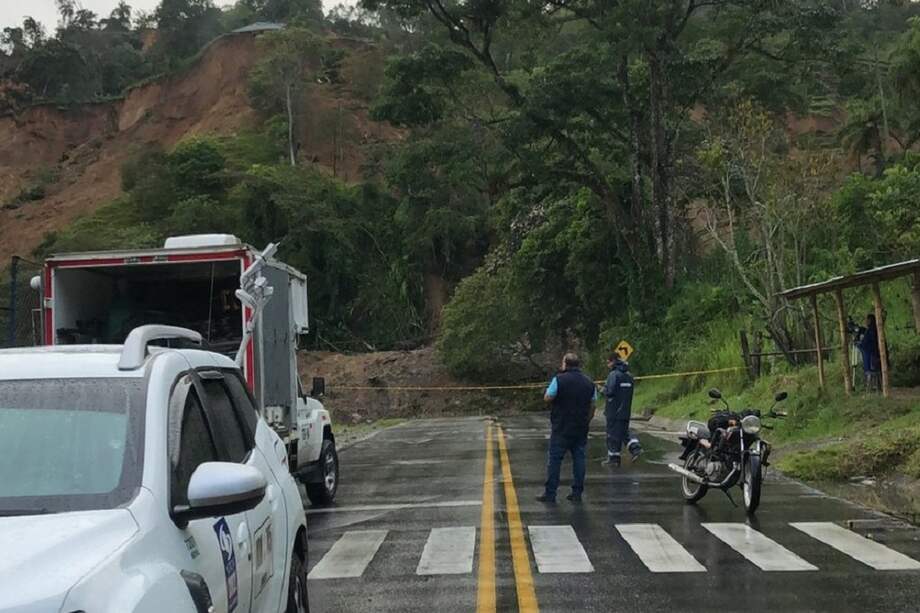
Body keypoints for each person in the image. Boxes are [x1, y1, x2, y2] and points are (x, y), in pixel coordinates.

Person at [536, 352, 596, 504]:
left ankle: (550, 493)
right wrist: (586, 420)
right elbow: (593, 404)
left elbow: (548, 397)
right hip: (581, 427)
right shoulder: (589, 382)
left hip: (561, 426)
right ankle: (577, 492)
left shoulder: (559, 379)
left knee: (555, 460)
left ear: (565, 364)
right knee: (579, 459)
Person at [601, 353, 642, 466]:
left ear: (613, 361)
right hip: (625, 410)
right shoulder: (629, 375)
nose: (607, 365)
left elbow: (610, 391)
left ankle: (614, 459)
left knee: (612, 435)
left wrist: (602, 389)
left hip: (613, 410)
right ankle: (635, 448)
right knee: (624, 432)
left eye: (608, 362)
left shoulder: (613, 375)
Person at [857, 313, 881, 392]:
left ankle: (870, 389)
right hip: (877, 356)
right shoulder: (877, 329)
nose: (865, 321)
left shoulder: (870, 331)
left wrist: (858, 344)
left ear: (870, 320)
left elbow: (864, 344)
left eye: (866, 320)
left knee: (870, 372)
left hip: (871, 357)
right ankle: (877, 387)